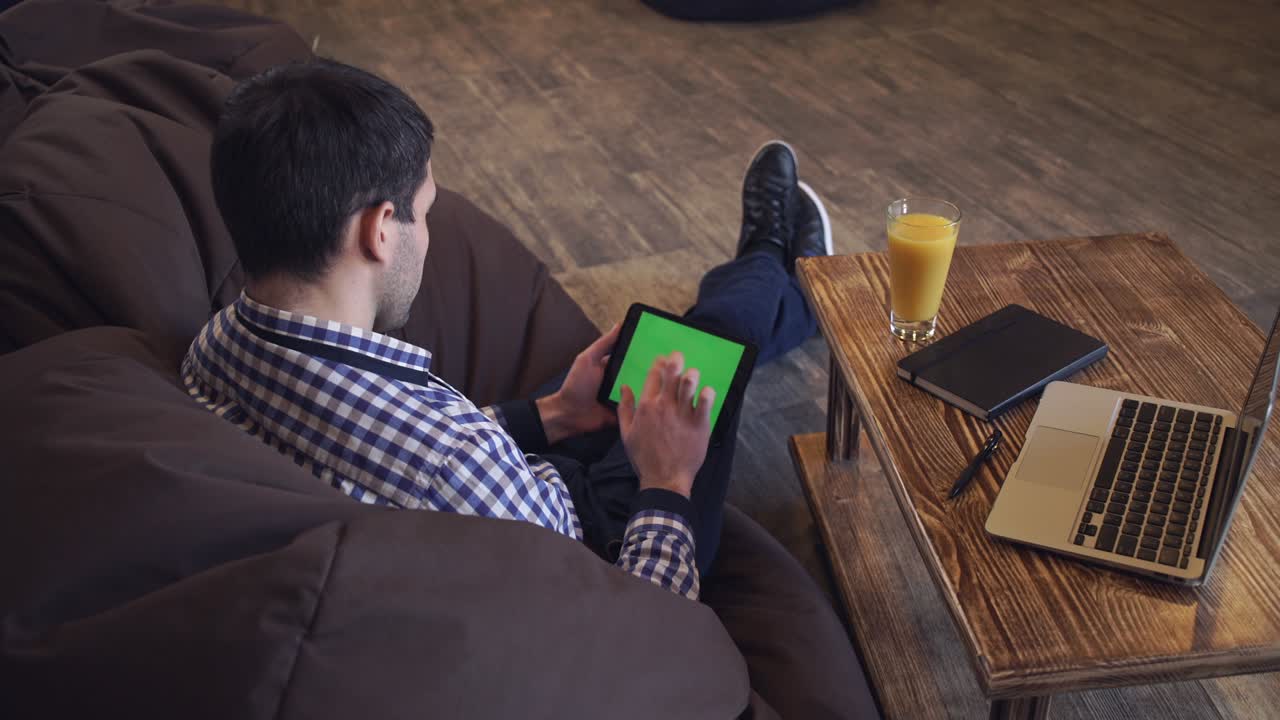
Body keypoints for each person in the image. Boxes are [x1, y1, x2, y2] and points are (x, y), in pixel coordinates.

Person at [182, 58, 832, 601]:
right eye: (426, 213)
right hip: (593, 551)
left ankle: (783, 275)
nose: (428, 233)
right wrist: (667, 483)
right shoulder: (458, 466)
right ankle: (781, 266)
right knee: (703, 358)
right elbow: (641, 624)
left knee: (648, 374)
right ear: (379, 231)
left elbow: (380, 448)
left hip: (496, 498)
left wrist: (547, 416)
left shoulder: (214, 348)